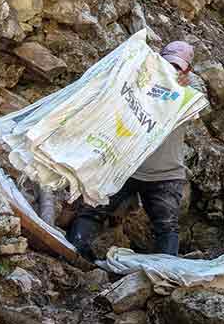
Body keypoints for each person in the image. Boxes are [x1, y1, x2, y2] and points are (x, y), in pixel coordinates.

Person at [67, 39, 195, 258]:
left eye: (177, 67)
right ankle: (72, 254)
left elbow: (196, 107)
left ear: (186, 71)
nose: (170, 70)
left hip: (165, 175)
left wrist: (184, 87)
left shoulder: (189, 95)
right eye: (166, 64)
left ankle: (167, 274)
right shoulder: (137, 83)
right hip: (125, 166)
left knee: (166, 226)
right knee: (92, 209)